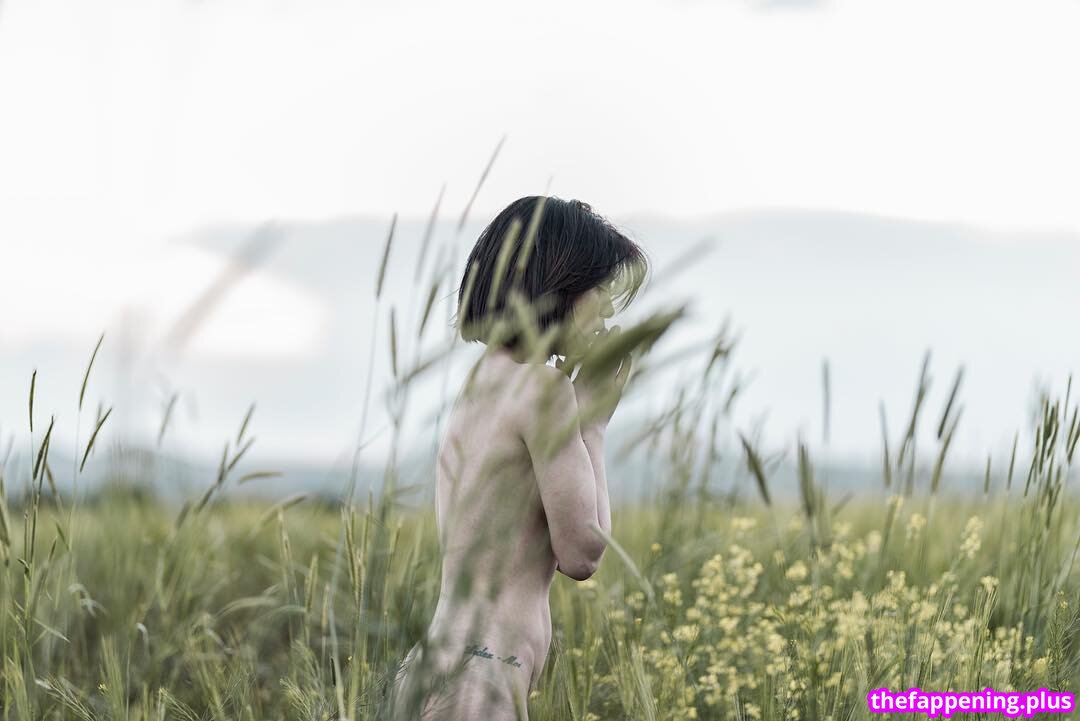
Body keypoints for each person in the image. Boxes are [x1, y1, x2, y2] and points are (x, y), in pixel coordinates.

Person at [387, 195, 649, 721]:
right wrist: (592, 424)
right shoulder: (544, 389)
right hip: (482, 677)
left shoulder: (482, 383)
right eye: (599, 289)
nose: (607, 309)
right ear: (560, 284)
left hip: (436, 666)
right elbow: (583, 553)